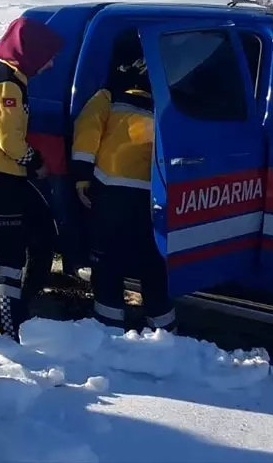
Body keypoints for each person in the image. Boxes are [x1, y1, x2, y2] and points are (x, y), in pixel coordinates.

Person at [0, 16, 65, 341]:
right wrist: (34, 161)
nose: (50, 64)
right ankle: (9, 325)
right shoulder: (9, 84)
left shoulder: (2, 73)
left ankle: (19, 307)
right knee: (10, 255)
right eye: (47, 56)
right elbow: (9, 141)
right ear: (30, 52)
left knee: (34, 237)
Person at [72, 33, 174, 332]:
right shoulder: (166, 104)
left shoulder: (106, 97)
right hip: (153, 195)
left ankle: (108, 325)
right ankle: (163, 328)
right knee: (153, 261)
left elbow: (85, 137)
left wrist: (81, 177)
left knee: (107, 260)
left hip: (111, 193)